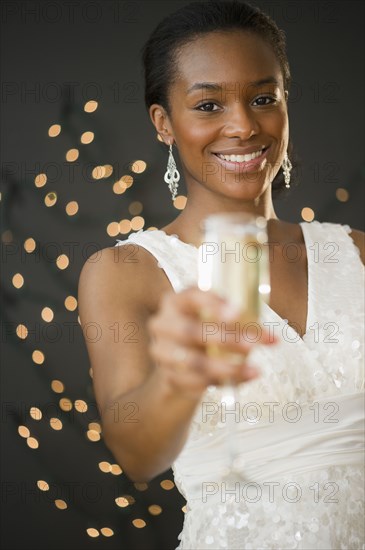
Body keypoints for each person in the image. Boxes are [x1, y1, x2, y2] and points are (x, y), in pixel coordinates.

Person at [78, 1, 365, 548]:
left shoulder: (356, 253)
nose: (243, 126)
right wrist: (183, 375)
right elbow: (138, 456)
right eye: (208, 105)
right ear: (164, 122)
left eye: (264, 99)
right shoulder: (126, 273)